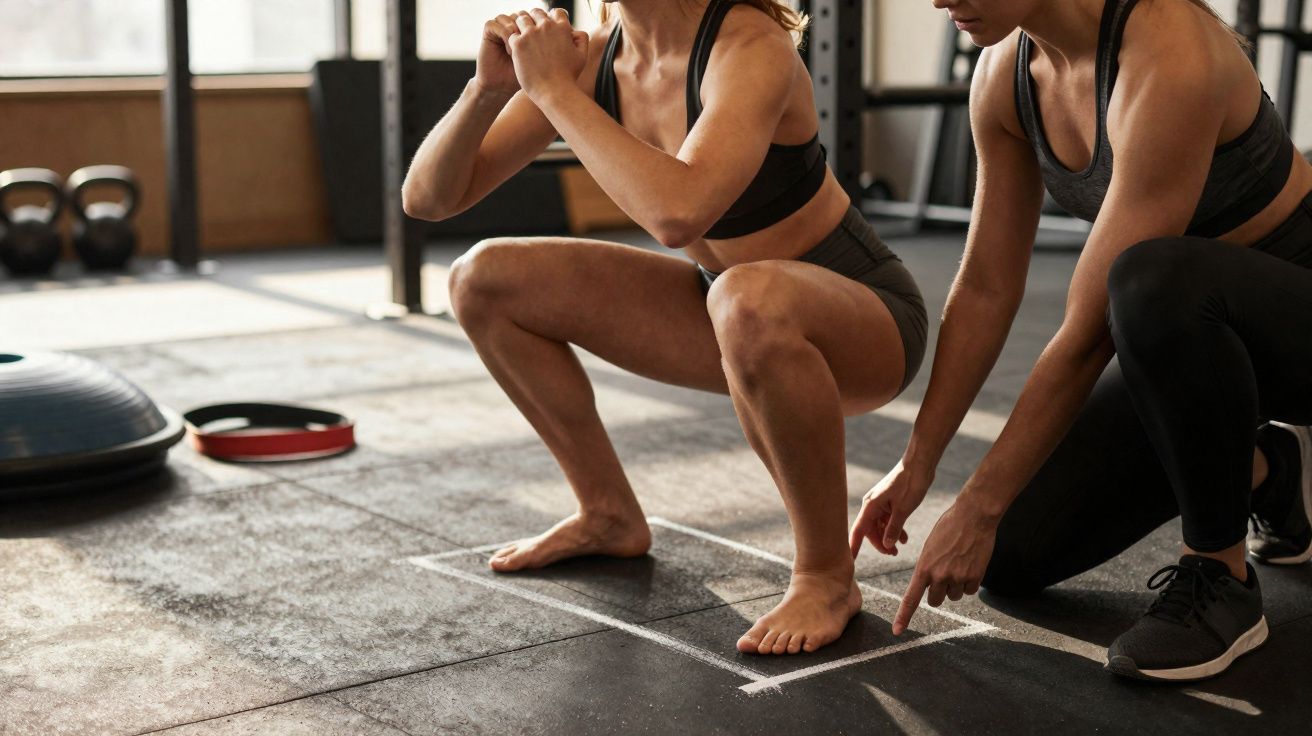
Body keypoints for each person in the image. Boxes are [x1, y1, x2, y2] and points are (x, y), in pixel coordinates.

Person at [403, 0, 928, 656]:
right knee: (482, 278)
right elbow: (427, 198)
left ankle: (825, 575)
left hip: (863, 319)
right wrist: (488, 88)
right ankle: (607, 513)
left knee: (745, 297)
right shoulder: (591, 60)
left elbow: (678, 213)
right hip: (729, 310)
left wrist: (551, 89)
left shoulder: (749, 47)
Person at [849, 0, 1312, 681]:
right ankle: (1266, 472)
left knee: (1149, 281)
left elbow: (1091, 326)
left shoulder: (1169, 50)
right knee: (1010, 553)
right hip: (1196, 353)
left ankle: (1221, 577)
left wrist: (977, 501)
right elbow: (984, 285)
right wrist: (918, 465)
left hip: (1293, 318)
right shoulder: (1005, 76)